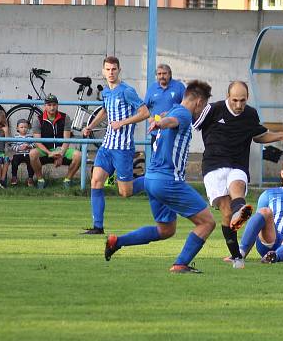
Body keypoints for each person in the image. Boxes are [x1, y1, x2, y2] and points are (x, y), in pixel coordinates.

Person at [104, 81, 215, 273]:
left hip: (151, 179)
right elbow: (171, 122)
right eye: (203, 106)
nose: (201, 110)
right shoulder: (183, 114)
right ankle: (180, 264)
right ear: (198, 102)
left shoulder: (171, 110)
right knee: (207, 222)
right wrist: (160, 122)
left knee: (166, 230)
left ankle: (117, 242)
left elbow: (167, 120)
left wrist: (160, 120)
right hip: (168, 181)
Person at [193, 80, 283, 269]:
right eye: (235, 100)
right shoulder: (213, 109)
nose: (239, 105)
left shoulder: (250, 114)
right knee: (226, 212)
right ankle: (235, 255)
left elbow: (258, 136)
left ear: (248, 99)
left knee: (237, 183)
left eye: (243, 101)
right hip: (214, 165)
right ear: (228, 97)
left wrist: (281, 135)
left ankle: (241, 209)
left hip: (238, 162)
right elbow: (191, 121)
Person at [82, 56, 150, 234]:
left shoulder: (127, 91)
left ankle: (154, 179)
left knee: (125, 192)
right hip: (107, 146)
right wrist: (90, 126)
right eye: (108, 69)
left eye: (114, 69)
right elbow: (105, 111)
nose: (111, 73)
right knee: (96, 181)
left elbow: (144, 112)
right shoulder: (105, 92)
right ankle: (98, 227)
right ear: (103, 71)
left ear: (119, 70)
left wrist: (123, 123)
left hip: (123, 148)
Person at [132, 63, 187, 194]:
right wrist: (151, 118)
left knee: (172, 161)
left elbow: (185, 106)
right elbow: (145, 108)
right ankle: (153, 189)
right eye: (159, 74)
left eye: (164, 74)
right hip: (156, 133)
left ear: (170, 74)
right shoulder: (152, 88)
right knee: (156, 161)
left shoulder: (179, 87)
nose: (162, 77)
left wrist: (170, 113)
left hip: (174, 133)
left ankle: (175, 187)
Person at [29, 94, 83, 189]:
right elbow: (37, 142)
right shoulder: (38, 119)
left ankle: (67, 180)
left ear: (57, 105)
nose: (52, 107)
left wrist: (61, 154)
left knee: (78, 155)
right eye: (49, 105)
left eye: (54, 105)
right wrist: (49, 153)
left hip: (61, 149)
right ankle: (40, 180)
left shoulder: (65, 117)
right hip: (46, 150)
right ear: (45, 106)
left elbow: (66, 139)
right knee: (32, 153)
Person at [9, 118, 35, 186]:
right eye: (21, 127)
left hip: (28, 154)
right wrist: (19, 147)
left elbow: (34, 144)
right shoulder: (15, 137)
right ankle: (14, 177)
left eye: (25, 127)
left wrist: (29, 146)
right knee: (14, 162)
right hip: (18, 154)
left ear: (28, 128)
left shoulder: (30, 136)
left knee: (31, 163)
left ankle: (30, 178)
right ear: (17, 128)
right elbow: (12, 146)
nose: (24, 129)